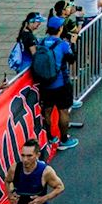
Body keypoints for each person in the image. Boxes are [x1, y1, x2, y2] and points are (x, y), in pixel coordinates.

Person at [33, 19, 79, 148]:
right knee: (63, 111)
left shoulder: (41, 42)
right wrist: (73, 44)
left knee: (47, 111)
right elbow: (72, 60)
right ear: (60, 29)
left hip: (44, 85)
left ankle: (50, 137)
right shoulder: (63, 44)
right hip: (61, 84)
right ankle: (64, 140)